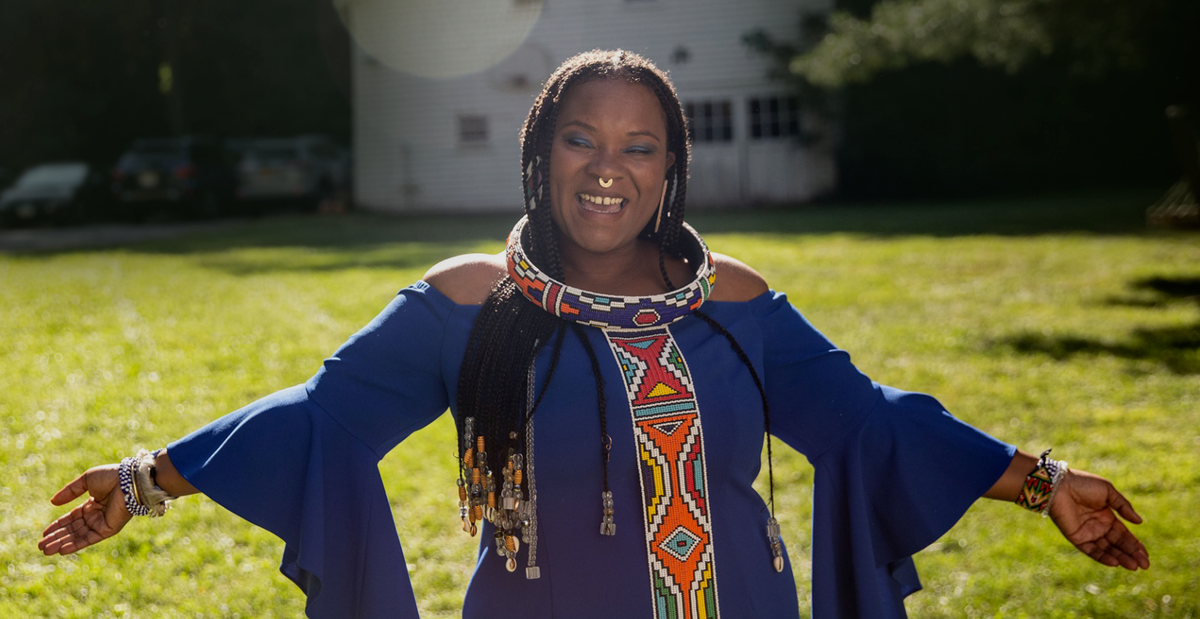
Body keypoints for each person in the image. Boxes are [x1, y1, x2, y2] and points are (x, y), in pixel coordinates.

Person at [39, 49, 1149, 619]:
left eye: (640, 145)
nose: (608, 167)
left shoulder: (735, 300)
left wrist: (1042, 480)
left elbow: (873, 426)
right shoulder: (471, 301)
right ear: (540, 152)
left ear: (671, 167)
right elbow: (318, 420)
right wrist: (147, 479)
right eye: (581, 138)